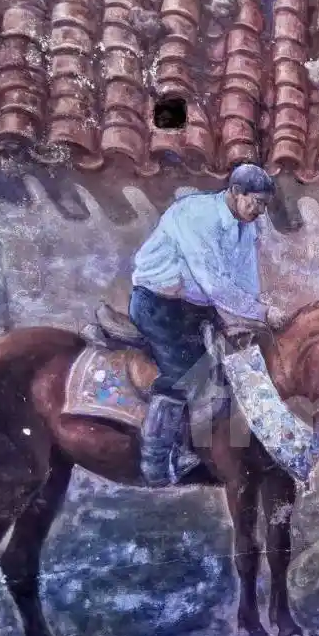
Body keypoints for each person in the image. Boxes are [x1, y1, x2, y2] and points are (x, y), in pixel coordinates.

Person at [130, 163, 287, 486]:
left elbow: (245, 280)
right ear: (234, 192)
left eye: (263, 205)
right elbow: (213, 282)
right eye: (254, 202)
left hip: (199, 309)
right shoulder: (196, 216)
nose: (258, 211)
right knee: (183, 371)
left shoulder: (247, 227)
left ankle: (221, 450)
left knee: (233, 366)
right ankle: (155, 461)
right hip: (158, 304)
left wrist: (252, 317)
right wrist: (262, 312)